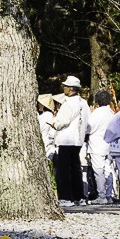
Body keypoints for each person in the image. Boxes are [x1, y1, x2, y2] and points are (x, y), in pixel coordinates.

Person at [51, 75, 88, 207]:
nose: (64, 88)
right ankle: (79, 196)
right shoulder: (83, 103)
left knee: (64, 170)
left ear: (70, 89)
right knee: (75, 168)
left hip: (66, 139)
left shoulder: (68, 103)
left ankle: (65, 197)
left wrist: (54, 123)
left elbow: (63, 122)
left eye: (65, 86)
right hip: (77, 139)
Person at [86, 88, 116, 203]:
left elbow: (89, 127)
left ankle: (102, 195)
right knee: (108, 170)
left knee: (98, 170)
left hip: (97, 144)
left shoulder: (97, 113)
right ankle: (109, 195)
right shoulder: (110, 112)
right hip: (109, 144)